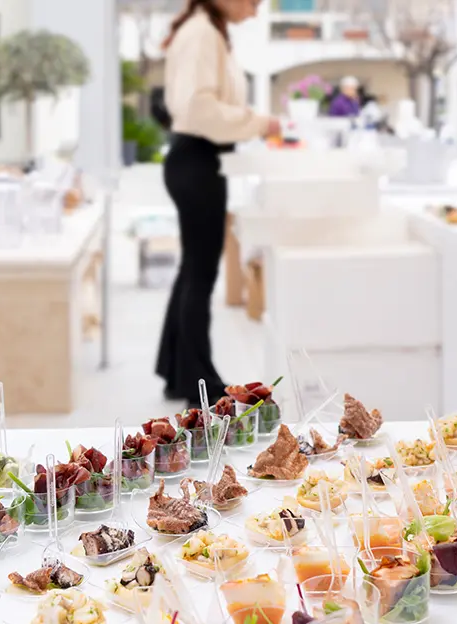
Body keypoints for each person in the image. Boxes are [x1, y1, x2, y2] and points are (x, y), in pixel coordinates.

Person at [156, 0, 281, 405]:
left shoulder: (204, 29)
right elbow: (200, 109)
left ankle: (176, 372)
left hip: (195, 159)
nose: (255, 11)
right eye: (253, 1)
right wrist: (259, 123)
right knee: (201, 272)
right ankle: (199, 384)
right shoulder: (202, 33)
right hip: (198, 159)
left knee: (193, 268)